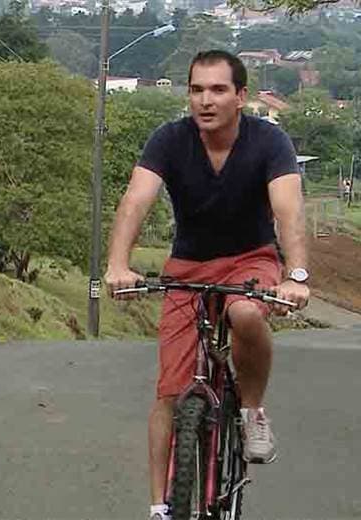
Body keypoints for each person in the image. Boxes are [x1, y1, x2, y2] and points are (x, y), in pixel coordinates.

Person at [103, 50, 310, 520]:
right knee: (169, 393)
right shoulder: (169, 139)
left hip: (249, 260)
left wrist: (296, 275)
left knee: (245, 313)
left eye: (218, 90)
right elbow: (136, 199)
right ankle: (159, 507)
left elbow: (289, 209)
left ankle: (252, 411)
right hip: (187, 268)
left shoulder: (269, 141)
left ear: (240, 96)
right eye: (196, 90)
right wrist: (118, 264)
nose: (205, 100)